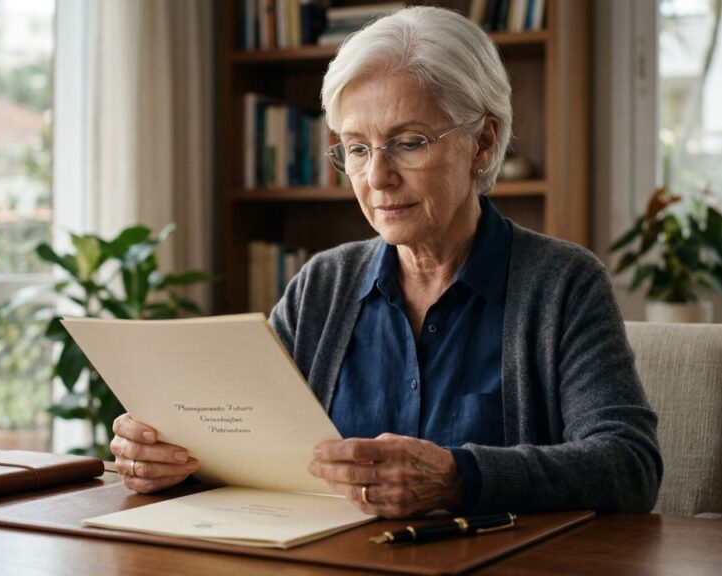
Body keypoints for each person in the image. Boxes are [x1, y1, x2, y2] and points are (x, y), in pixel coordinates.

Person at [110, 6, 662, 519]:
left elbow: (629, 465)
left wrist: (458, 477)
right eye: (357, 148)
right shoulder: (321, 285)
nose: (377, 177)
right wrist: (169, 457)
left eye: (409, 142)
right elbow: (247, 445)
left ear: (483, 143)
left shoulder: (563, 284)